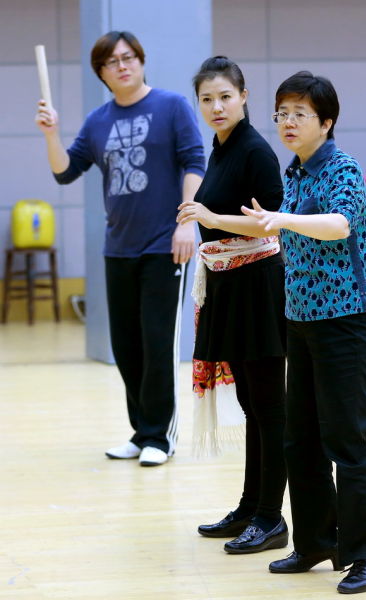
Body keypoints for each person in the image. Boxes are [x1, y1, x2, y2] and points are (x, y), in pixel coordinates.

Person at [239, 71, 366, 594]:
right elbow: (281, 229)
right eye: (281, 113)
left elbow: (338, 225)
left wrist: (281, 219)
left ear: (326, 122)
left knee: (345, 440)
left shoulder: (343, 168)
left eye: (299, 114)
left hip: (347, 321)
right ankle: (316, 542)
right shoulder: (293, 173)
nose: (287, 122)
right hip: (300, 320)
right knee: (298, 439)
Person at [35, 31, 205, 467]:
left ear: (141, 61)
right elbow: (65, 172)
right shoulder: (97, 121)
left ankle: (160, 438)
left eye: (129, 57)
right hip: (119, 248)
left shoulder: (171, 107)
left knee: (156, 342)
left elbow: (194, 162)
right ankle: (140, 430)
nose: (123, 66)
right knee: (126, 347)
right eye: (112, 62)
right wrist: (52, 134)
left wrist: (186, 223)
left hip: (165, 245)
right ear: (102, 74)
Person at [177, 56, 288, 554]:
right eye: (207, 99)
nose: (216, 106)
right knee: (251, 405)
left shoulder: (256, 151)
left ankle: (270, 518)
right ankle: (250, 507)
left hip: (258, 286)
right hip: (228, 283)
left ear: (244, 96)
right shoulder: (220, 148)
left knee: (267, 406)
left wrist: (208, 213)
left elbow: (270, 221)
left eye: (225, 96)